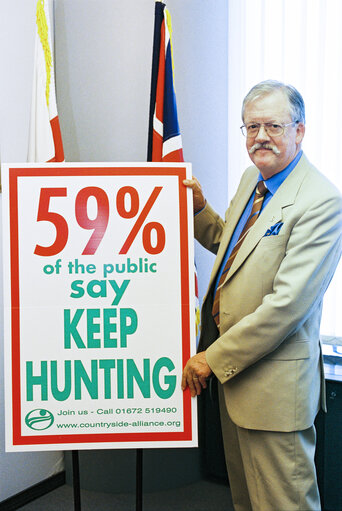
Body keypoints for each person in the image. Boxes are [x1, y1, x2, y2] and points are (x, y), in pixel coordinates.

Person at [182, 80, 342, 511]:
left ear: (300, 130)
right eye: (251, 127)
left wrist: (210, 359)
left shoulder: (321, 201)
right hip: (236, 385)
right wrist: (200, 210)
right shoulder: (253, 178)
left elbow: (286, 307)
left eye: (273, 125)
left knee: (284, 504)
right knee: (247, 502)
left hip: (273, 389)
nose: (260, 138)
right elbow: (233, 251)